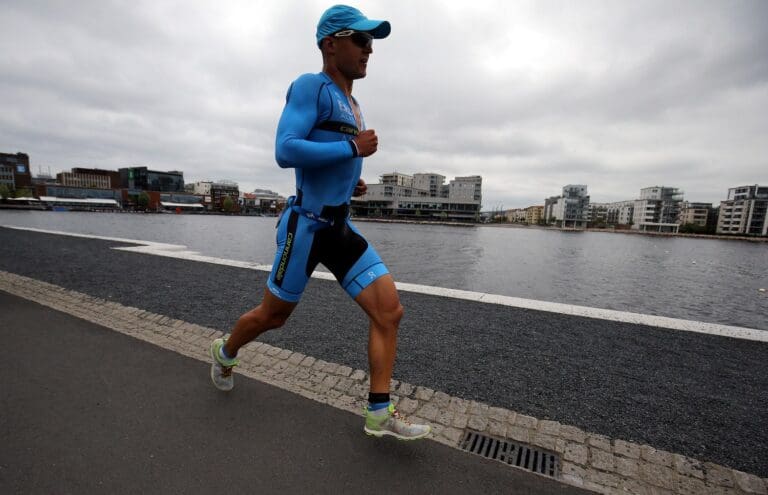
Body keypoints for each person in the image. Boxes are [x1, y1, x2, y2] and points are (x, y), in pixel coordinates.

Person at [209, 5, 430, 441]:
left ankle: (379, 413)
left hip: (340, 227)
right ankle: (225, 350)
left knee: (390, 311)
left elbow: (332, 159)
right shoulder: (310, 87)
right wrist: (351, 149)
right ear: (331, 43)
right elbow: (286, 149)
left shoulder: (353, 103)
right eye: (361, 40)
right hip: (305, 228)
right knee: (274, 317)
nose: (369, 50)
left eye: (372, 42)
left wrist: (353, 183)